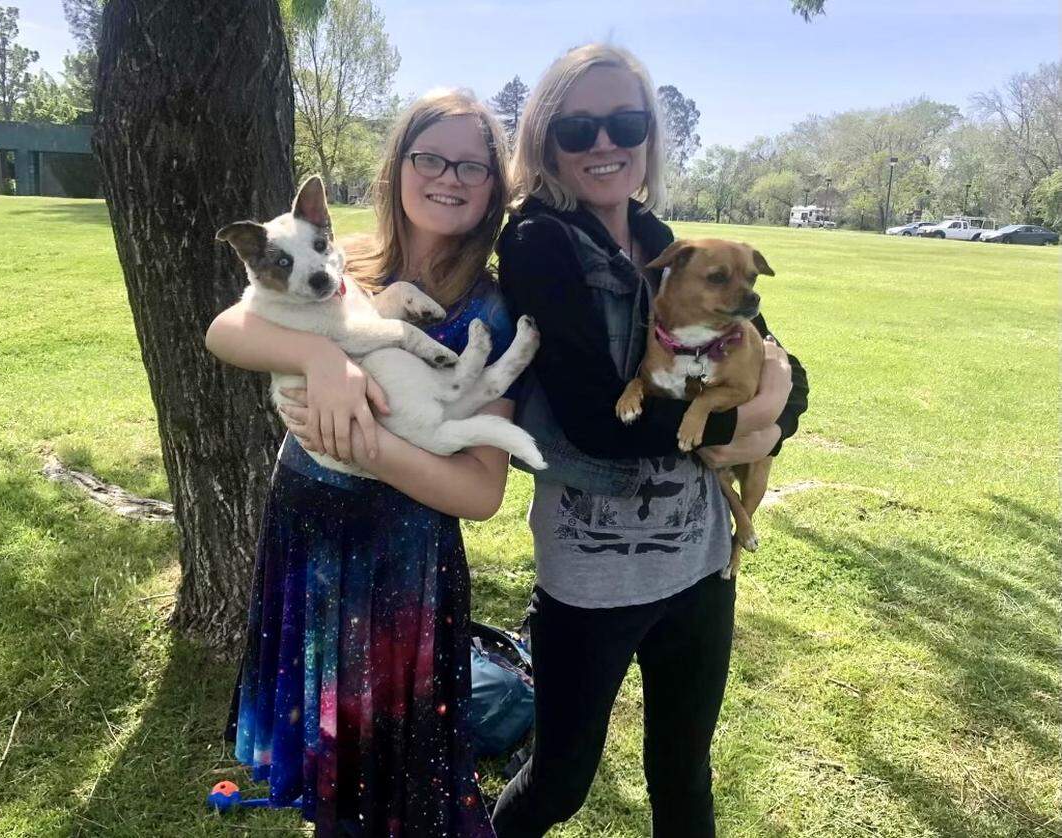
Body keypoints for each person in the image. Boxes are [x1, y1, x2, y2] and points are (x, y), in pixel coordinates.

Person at [490, 44, 809, 837]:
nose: (604, 143)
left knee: (684, 777)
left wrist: (779, 410)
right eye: (578, 128)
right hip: (593, 573)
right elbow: (596, 420)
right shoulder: (537, 242)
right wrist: (741, 424)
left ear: (649, 137)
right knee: (558, 785)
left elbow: (773, 358)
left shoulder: (664, 237)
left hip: (699, 562)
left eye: (625, 124)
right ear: (545, 139)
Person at [205, 88, 518, 837]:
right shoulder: (339, 263)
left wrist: (369, 445)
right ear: (397, 166)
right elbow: (224, 331)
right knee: (329, 753)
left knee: (396, 773)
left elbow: (481, 492)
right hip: (308, 534)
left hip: (399, 562)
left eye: (472, 166)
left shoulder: (490, 309)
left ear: (494, 186)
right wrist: (322, 358)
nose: (449, 177)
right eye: (430, 157)